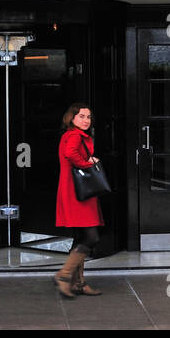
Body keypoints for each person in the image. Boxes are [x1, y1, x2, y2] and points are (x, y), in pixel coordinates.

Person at [55, 103, 104, 298]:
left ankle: (79, 283)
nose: (86, 120)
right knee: (92, 237)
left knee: (81, 236)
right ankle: (64, 275)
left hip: (74, 190)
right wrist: (88, 162)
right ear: (72, 118)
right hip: (78, 193)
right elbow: (70, 154)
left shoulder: (71, 135)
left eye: (89, 117)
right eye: (81, 116)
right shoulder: (75, 136)